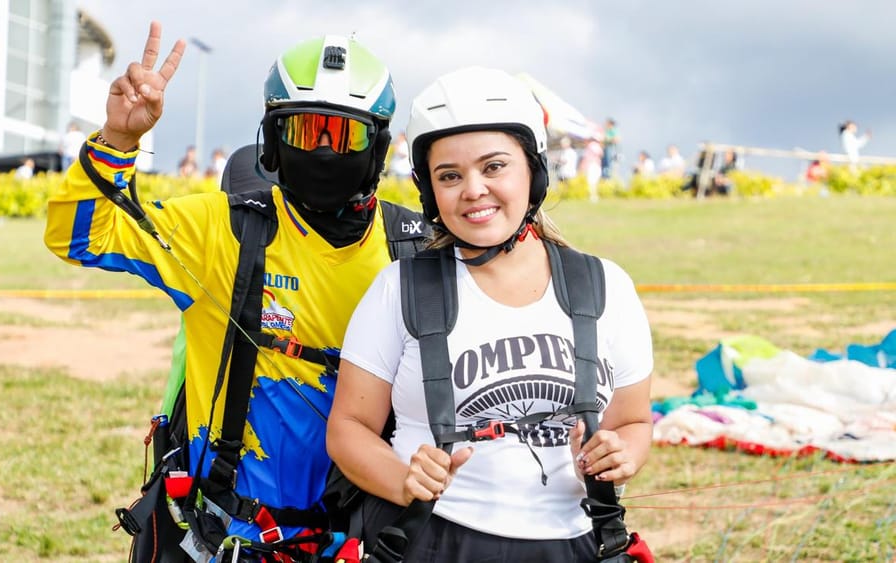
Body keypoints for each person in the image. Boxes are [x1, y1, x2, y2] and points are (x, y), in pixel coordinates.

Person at [44, 22, 425, 562]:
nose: (321, 150)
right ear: (271, 139)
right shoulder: (220, 230)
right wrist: (119, 140)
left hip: (362, 540)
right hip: (225, 536)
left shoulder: (415, 253)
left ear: (379, 144)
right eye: (303, 130)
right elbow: (80, 236)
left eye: (341, 135)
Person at [327, 66, 654, 561]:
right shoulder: (400, 289)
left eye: (494, 166)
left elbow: (633, 422)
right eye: (450, 176)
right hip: (434, 537)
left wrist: (624, 453)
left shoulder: (604, 287)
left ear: (534, 169)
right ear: (429, 191)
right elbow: (348, 427)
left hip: (574, 542)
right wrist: (403, 481)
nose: (473, 189)